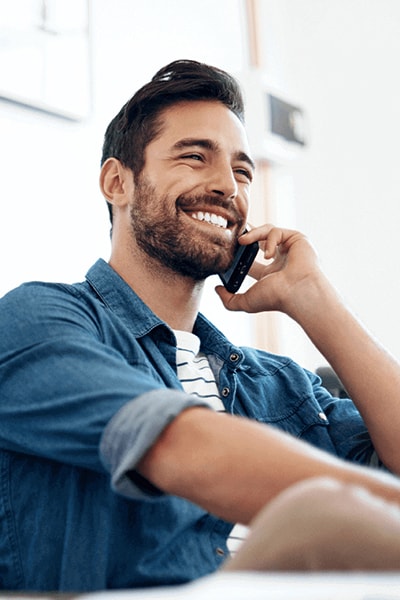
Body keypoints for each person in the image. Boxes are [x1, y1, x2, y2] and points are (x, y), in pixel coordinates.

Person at [1, 59, 400, 592]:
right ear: (117, 182)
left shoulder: (283, 385)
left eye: (241, 171)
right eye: (194, 157)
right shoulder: (40, 321)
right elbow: (179, 445)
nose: (226, 187)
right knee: (320, 519)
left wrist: (315, 301)